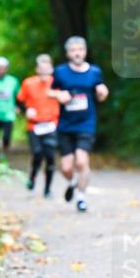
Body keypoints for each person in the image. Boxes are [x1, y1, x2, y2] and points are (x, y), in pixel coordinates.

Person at [49, 36, 109, 212]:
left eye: (80, 50)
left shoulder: (94, 72)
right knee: (66, 167)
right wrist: (58, 95)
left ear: (85, 52)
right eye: (73, 50)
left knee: (82, 161)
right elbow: (49, 90)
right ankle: (74, 181)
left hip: (86, 123)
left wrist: (102, 92)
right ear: (68, 53)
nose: (77, 53)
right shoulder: (60, 72)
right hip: (66, 125)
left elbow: (101, 93)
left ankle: (81, 197)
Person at [17, 53, 60, 198]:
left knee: (50, 157)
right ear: (37, 69)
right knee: (37, 153)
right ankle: (32, 176)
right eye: (41, 69)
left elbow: (66, 99)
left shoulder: (57, 83)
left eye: (47, 69)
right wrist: (26, 110)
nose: (44, 72)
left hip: (51, 125)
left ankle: (47, 189)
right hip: (34, 126)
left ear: (51, 69)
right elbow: (19, 100)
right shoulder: (28, 83)